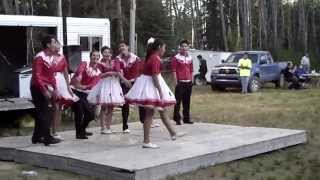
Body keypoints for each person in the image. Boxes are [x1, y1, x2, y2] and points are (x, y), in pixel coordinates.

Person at [125, 38, 179, 149]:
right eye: (164, 48)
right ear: (159, 47)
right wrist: (159, 91)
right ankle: (146, 141)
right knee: (149, 114)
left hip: (150, 83)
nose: (165, 50)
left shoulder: (152, 57)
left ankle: (173, 133)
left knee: (162, 110)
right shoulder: (155, 58)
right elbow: (154, 76)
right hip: (151, 86)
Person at [87, 46, 128, 134]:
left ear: (111, 54)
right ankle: (102, 127)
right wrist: (110, 73)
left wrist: (115, 75)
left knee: (111, 107)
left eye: (108, 52)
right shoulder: (99, 63)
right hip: (104, 84)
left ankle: (108, 127)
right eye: (105, 52)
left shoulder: (115, 61)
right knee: (104, 106)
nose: (107, 54)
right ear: (102, 54)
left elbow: (118, 72)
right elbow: (100, 75)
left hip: (113, 85)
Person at [30, 35, 61, 146]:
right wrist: (44, 90)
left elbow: (51, 75)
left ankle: (36, 137)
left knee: (43, 113)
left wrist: (55, 88)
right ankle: (47, 137)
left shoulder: (51, 58)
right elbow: (37, 76)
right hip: (37, 87)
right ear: (48, 45)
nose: (56, 45)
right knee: (44, 113)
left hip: (47, 86)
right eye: (54, 42)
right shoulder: (40, 57)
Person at [71, 50, 102, 139]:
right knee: (79, 112)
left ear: (99, 58)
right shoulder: (84, 64)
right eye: (93, 55)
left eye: (97, 56)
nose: (95, 57)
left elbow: (93, 85)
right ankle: (79, 133)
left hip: (85, 92)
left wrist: (84, 86)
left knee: (90, 115)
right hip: (75, 90)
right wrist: (79, 78)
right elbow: (80, 72)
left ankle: (82, 129)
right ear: (90, 56)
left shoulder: (98, 72)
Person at [51, 41, 79, 140]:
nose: (58, 49)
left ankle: (55, 131)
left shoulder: (62, 57)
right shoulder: (47, 57)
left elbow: (66, 73)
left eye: (59, 47)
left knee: (58, 108)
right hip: (50, 81)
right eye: (56, 46)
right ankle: (48, 131)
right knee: (53, 108)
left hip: (60, 81)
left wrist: (68, 88)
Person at [116, 41, 145, 133]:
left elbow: (138, 71)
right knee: (125, 104)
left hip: (135, 82)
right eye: (120, 46)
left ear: (127, 47)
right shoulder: (118, 59)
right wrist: (125, 81)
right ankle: (125, 126)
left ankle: (143, 119)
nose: (121, 48)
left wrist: (135, 82)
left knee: (141, 100)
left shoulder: (135, 58)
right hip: (124, 83)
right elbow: (118, 71)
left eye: (123, 46)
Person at [171, 40, 194, 125]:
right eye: (182, 46)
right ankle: (176, 118)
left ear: (188, 47)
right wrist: (176, 83)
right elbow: (173, 71)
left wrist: (192, 81)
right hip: (180, 82)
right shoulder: (176, 58)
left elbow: (191, 70)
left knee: (187, 101)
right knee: (178, 101)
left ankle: (186, 118)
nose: (184, 48)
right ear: (180, 47)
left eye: (186, 46)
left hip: (188, 82)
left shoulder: (190, 58)